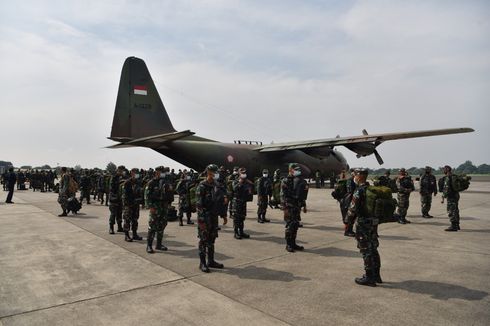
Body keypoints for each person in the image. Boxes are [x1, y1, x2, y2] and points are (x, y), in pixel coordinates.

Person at [347, 168, 381, 287]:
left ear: (360, 176)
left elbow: (352, 209)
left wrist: (348, 223)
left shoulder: (359, 191)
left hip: (363, 224)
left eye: (355, 175)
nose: (354, 177)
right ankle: (377, 275)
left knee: (366, 250)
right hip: (373, 224)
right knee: (373, 248)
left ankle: (369, 277)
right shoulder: (371, 189)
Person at [196, 164, 228, 272]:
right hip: (205, 217)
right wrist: (201, 221)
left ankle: (211, 261)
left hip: (214, 217)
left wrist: (223, 215)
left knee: (212, 239)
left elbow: (221, 201)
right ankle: (202, 263)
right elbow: (199, 206)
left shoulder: (217, 185)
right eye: (215, 172)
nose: (217, 174)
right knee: (203, 240)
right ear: (209, 173)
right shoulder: (202, 186)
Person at [281, 163, 308, 252]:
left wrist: (304, 205)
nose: (297, 171)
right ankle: (288, 244)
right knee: (290, 226)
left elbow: (301, 195)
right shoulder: (285, 180)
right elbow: (285, 195)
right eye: (295, 169)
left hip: (296, 207)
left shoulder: (299, 180)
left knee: (295, 225)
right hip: (289, 207)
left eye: (298, 169)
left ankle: (293, 243)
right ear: (290, 170)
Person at [145, 166, 169, 253]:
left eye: (163, 172)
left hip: (164, 207)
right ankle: (149, 245)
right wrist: (150, 207)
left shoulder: (166, 182)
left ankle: (159, 244)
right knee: (152, 226)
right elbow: (147, 196)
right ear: (156, 173)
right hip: (155, 207)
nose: (162, 173)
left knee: (162, 226)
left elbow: (169, 195)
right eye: (160, 172)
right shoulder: (152, 183)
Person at [122, 168, 143, 242]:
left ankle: (134, 234)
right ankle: (126, 235)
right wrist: (130, 202)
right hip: (128, 205)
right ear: (131, 173)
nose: (136, 174)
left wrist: (140, 201)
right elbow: (125, 195)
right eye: (135, 173)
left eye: (137, 173)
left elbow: (140, 193)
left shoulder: (139, 182)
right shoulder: (127, 183)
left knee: (135, 220)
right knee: (127, 220)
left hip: (136, 205)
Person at [231, 168, 253, 239]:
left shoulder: (247, 182)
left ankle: (241, 232)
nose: (244, 174)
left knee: (242, 218)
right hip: (237, 202)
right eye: (242, 173)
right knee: (236, 219)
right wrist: (240, 182)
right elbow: (234, 189)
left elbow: (252, 187)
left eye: (244, 173)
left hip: (243, 202)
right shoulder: (236, 181)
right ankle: (236, 233)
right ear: (239, 174)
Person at [441, 165, 461, 231]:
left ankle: (453, 226)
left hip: (451, 196)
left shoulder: (448, 177)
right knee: (456, 210)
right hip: (455, 195)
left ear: (447, 169)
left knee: (451, 211)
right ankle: (457, 225)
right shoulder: (453, 176)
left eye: (444, 169)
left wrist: (444, 195)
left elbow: (447, 188)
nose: (443, 170)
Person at [108, 166, 125, 234]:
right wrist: (120, 183)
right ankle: (111, 228)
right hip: (114, 198)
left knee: (119, 213)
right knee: (113, 214)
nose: (121, 172)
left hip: (120, 199)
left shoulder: (124, 177)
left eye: (122, 171)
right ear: (118, 170)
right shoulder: (114, 177)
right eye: (120, 171)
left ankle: (119, 227)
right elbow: (112, 188)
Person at [341, 169, 356, 237]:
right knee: (349, 217)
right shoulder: (350, 181)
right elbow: (350, 191)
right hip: (348, 201)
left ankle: (349, 230)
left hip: (348, 200)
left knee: (351, 217)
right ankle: (347, 231)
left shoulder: (352, 180)